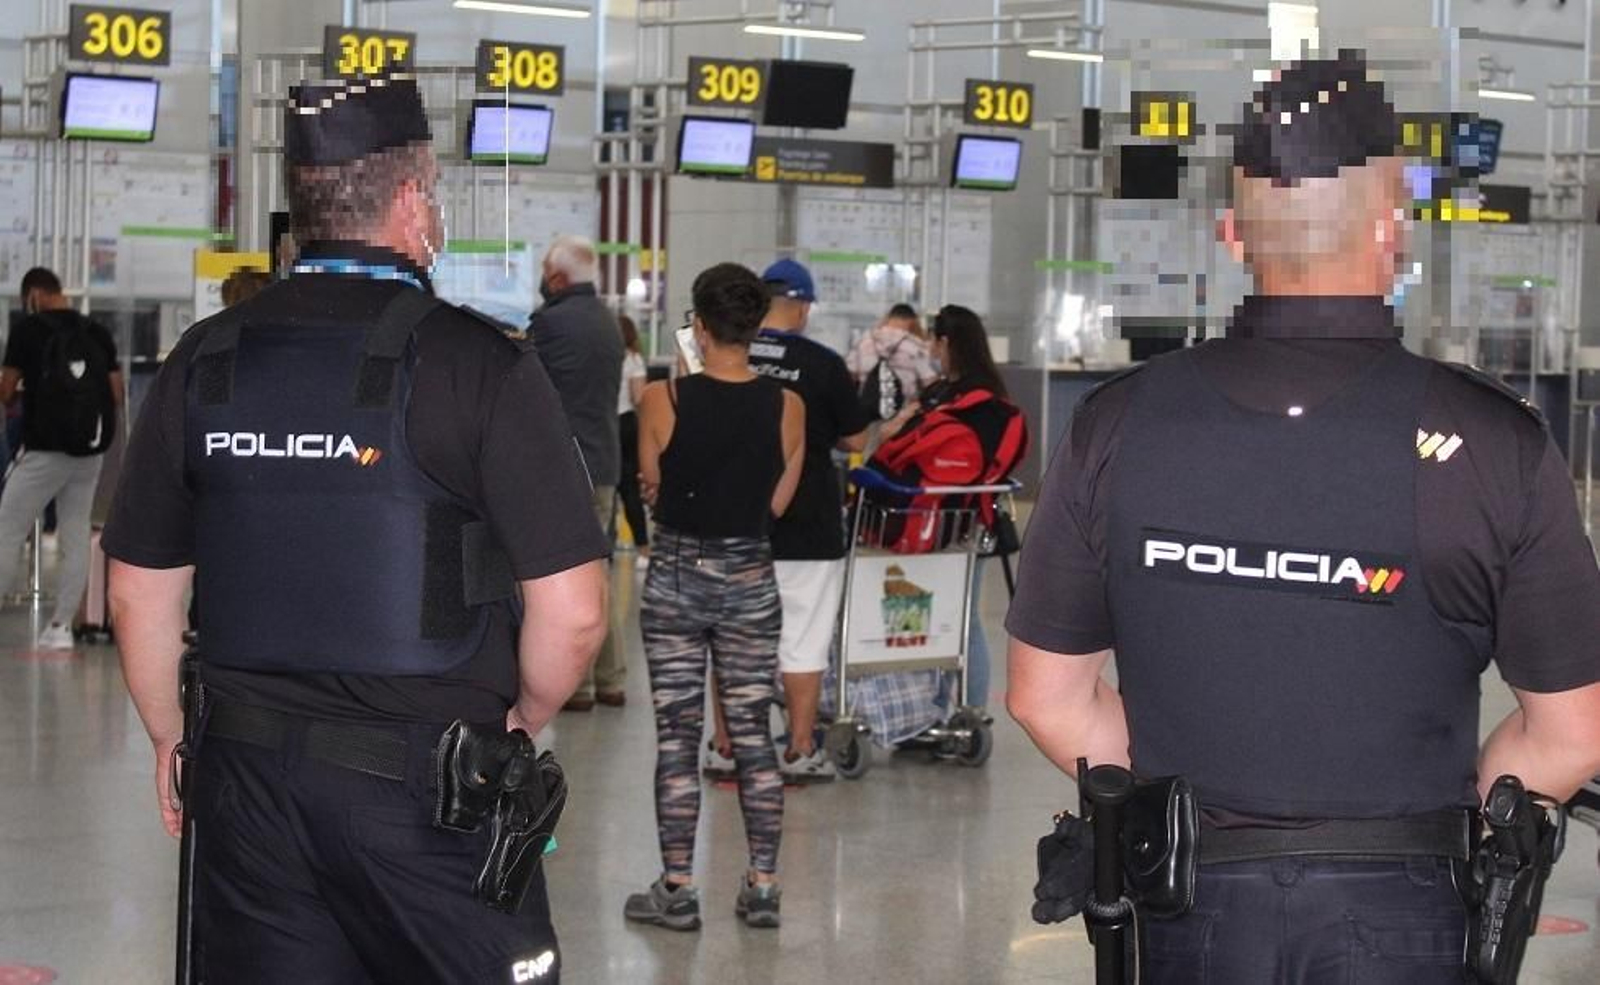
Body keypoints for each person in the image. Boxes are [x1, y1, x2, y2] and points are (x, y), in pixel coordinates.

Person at [1006, 53, 1600, 983]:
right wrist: (1459, 822)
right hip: (1408, 906)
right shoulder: (1495, 444)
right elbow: (1571, 734)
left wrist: (1180, 808)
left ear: (1233, 235)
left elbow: (1046, 695)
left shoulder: (1117, 424)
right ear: (1394, 231)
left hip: (1188, 901)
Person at [105, 74, 609, 984]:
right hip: (431, 797)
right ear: (414, 202)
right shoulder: (482, 365)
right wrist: (524, 716)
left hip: (247, 787)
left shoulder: (205, 358)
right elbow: (572, 612)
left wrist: (168, 738)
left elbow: (138, 583)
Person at [624, 263, 805, 932]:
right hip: (750, 580)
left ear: (698, 326)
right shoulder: (788, 406)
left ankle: (676, 888)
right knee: (753, 734)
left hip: (675, 576)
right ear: (756, 328)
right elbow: (777, 502)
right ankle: (762, 886)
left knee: (678, 736)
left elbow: (650, 483)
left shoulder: (660, 398)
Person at [741, 258, 870, 782]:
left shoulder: (732, 354)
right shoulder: (822, 363)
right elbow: (857, 440)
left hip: (738, 521)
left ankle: (728, 746)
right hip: (810, 524)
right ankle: (798, 750)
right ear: (803, 307)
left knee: (738, 639)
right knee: (804, 640)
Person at [877, 304, 1025, 710]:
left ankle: (923, 708)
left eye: (933, 341)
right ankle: (971, 710)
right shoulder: (995, 399)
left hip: (922, 521)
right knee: (965, 620)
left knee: (917, 615)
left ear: (945, 342)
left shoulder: (941, 396)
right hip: (974, 522)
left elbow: (890, 441)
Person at [527, 234, 627, 710]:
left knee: (565, 575)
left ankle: (580, 687)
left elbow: (526, 386)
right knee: (599, 571)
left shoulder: (550, 324)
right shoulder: (608, 322)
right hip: (605, 460)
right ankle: (610, 678)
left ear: (558, 279)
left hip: (566, 465)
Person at [0, 266, 123, 648]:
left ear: (34, 294)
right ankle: (60, 628)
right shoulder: (96, 331)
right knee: (75, 533)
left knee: (7, 529)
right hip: (89, 452)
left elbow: (5, 390)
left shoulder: (27, 331)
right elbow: (115, 393)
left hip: (43, 450)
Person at [846, 302, 936, 417]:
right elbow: (931, 384)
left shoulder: (865, 340)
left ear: (888, 318)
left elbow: (849, 378)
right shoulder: (916, 346)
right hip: (903, 419)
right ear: (913, 321)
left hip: (867, 415)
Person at [614, 314, 650, 558]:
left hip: (601, 424)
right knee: (630, 490)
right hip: (626, 423)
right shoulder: (633, 359)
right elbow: (639, 398)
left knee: (601, 488)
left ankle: (604, 548)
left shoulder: (601, 356)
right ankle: (643, 549)